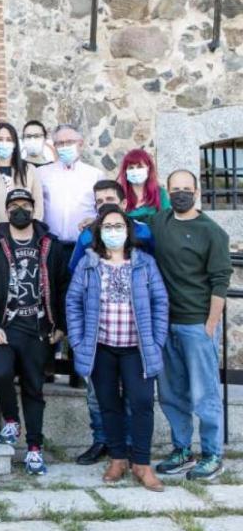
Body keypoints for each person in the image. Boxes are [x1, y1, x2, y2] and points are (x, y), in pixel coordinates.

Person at [67, 205, 168, 491]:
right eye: (108, 227)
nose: (114, 232)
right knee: (108, 404)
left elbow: (160, 302)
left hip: (137, 348)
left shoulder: (144, 263)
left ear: (128, 230)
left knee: (142, 403)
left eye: (118, 226)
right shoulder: (89, 264)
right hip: (102, 348)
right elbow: (73, 303)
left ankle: (142, 463)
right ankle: (118, 458)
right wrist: (77, 341)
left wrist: (157, 340)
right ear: (99, 232)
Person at [0, 188, 68, 476]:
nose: (19, 210)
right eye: (13, 205)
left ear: (33, 208)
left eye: (24, 205)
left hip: (38, 331)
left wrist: (61, 325)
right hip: (4, 327)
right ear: (6, 210)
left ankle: (35, 449)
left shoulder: (51, 244)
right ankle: (11, 419)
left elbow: (64, 285)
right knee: (1, 373)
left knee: (33, 388)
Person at [152, 170, 232, 481]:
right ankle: (182, 450)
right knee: (171, 393)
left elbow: (220, 282)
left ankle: (212, 455)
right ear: (168, 192)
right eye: (175, 189)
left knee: (205, 394)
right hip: (166, 326)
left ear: (197, 191)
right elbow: (126, 219)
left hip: (197, 326)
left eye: (187, 188)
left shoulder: (211, 232)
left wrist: (210, 326)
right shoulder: (160, 222)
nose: (181, 193)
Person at [36, 124, 106, 267]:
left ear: (80, 144)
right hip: (51, 247)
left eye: (69, 142)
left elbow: (103, 210)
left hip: (84, 245)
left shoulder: (95, 175)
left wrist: (94, 220)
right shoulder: (42, 173)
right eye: (60, 143)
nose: (64, 146)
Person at [0, 122, 43, 229]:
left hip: (25, 235)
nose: (4, 143)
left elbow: (38, 206)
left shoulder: (29, 170)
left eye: (9, 140)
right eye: (0, 139)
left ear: (15, 144)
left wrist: (32, 231)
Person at [116, 149, 170, 223]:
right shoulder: (119, 194)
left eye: (140, 167)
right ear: (125, 171)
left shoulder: (160, 193)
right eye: (131, 168)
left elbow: (167, 220)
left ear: (148, 168)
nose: (135, 171)